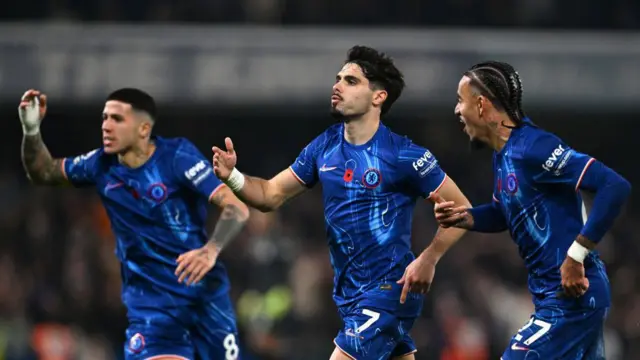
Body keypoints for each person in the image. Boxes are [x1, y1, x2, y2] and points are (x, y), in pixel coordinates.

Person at [211, 45, 471, 360]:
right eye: (338, 79)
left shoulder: (403, 155)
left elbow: (463, 211)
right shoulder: (324, 147)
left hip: (388, 292)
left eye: (350, 81)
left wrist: (428, 259)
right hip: (351, 296)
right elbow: (269, 195)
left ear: (378, 97)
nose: (337, 86)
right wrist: (233, 176)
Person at [19, 88, 249, 360]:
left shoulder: (176, 157)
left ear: (143, 129)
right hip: (152, 313)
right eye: (104, 117)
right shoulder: (99, 165)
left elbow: (237, 207)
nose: (106, 125)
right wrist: (31, 131)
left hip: (203, 304)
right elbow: (43, 171)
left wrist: (210, 250)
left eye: (117, 119)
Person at [432, 61, 631, 359]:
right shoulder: (503, 157)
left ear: (481, 104)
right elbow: (504, 213)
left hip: (572, 297)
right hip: (559, 297)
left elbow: (614, 186)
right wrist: (466, 217)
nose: (457, 110)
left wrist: (577, 254)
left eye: (460, 100)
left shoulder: (535, 146)